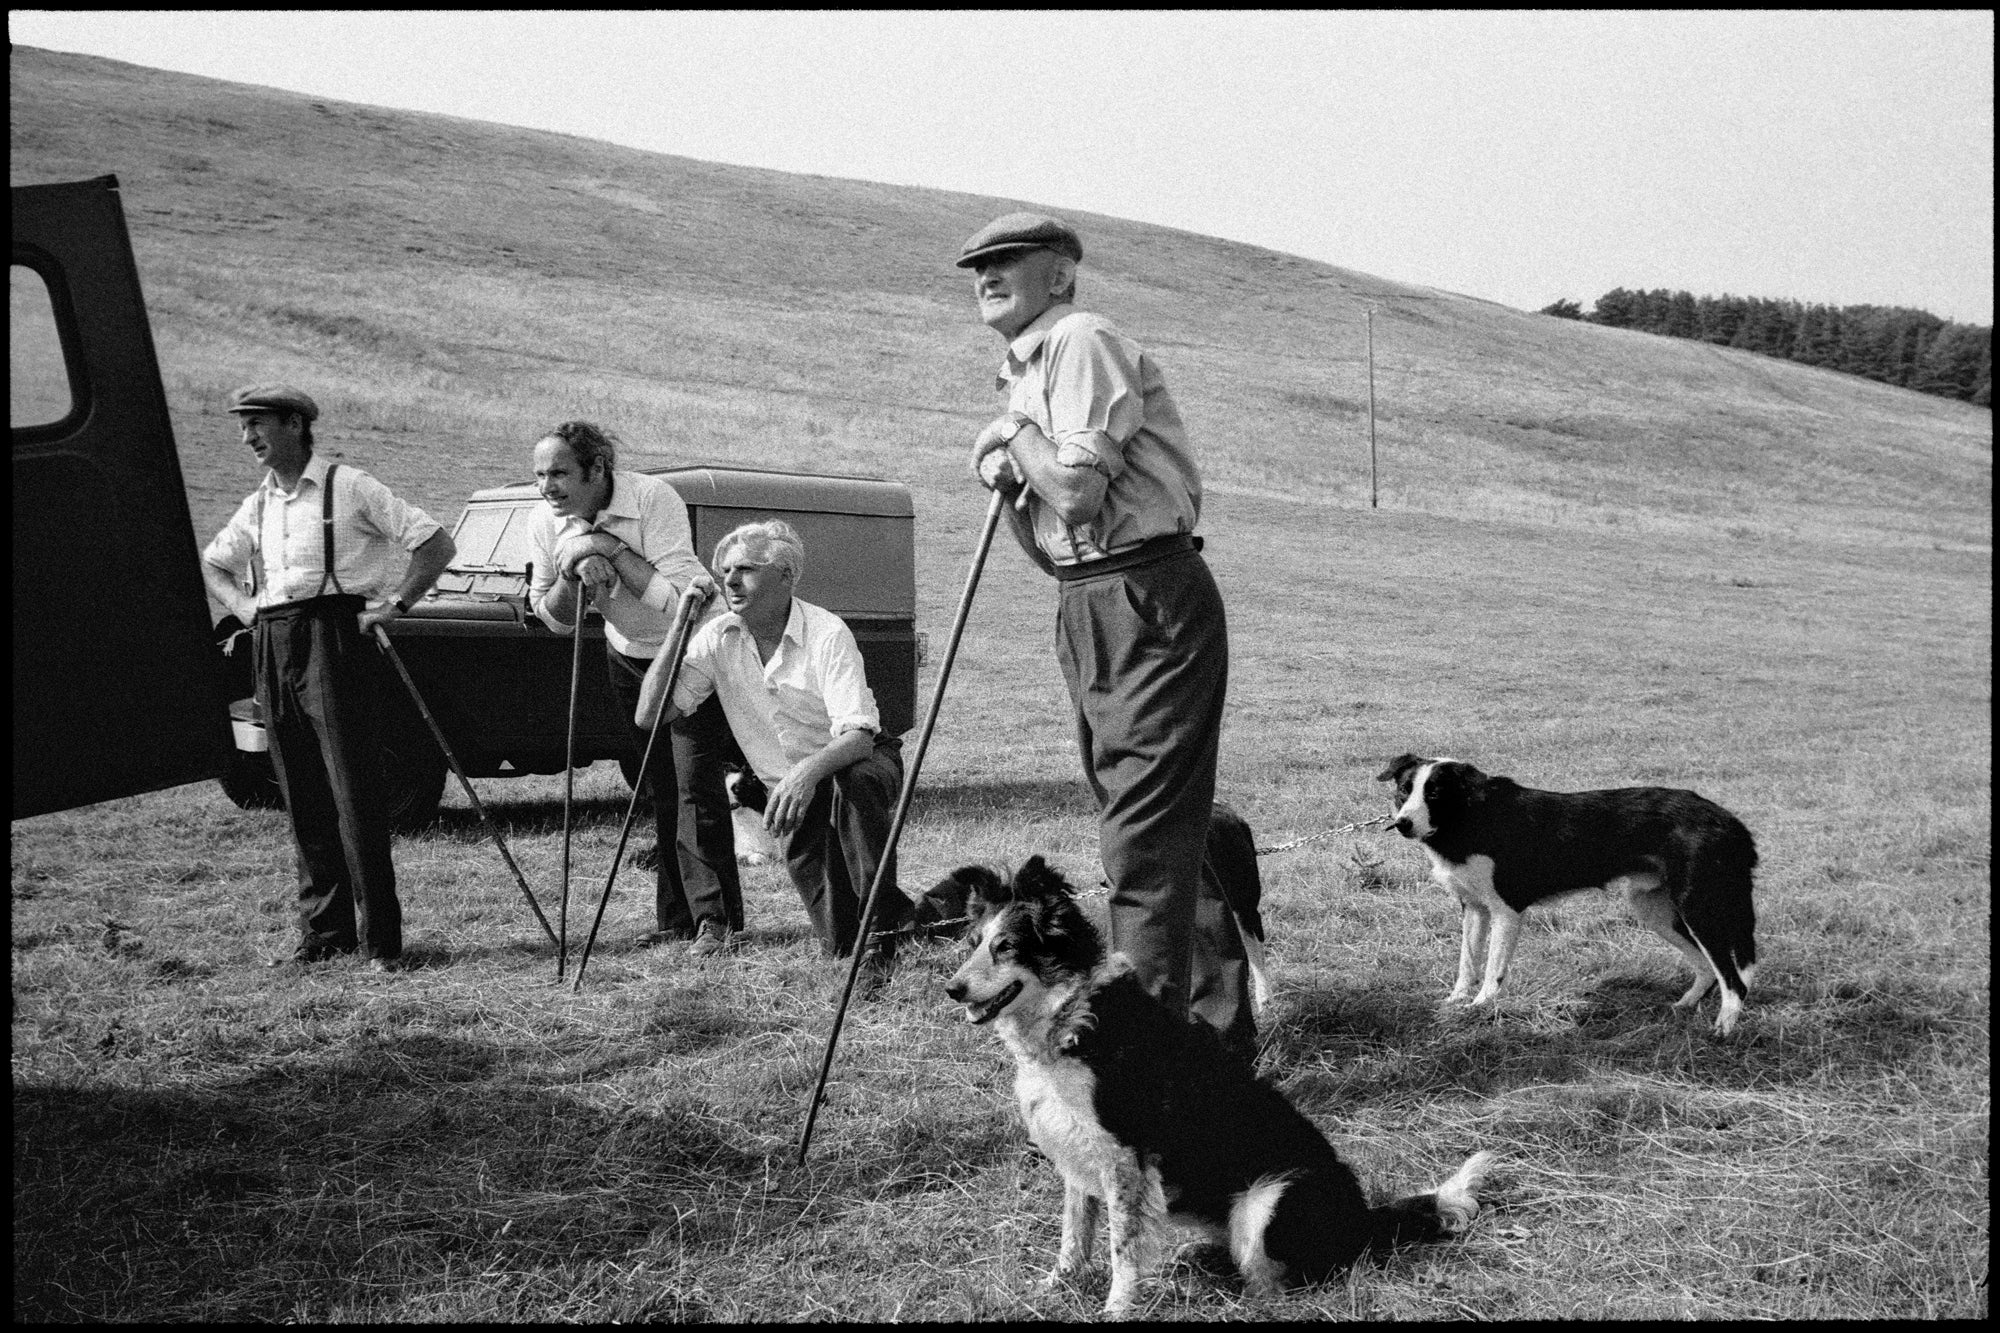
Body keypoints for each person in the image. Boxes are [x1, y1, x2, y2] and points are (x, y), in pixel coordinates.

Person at [957, 211, 1256, 1057]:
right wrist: (1014, 487)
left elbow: (1081, 497)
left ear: (1060, 275)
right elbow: (1055, 540)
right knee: (1150, 826)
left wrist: (1015, 438)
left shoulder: (1080, 341)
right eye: (977, 265)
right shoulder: (1024, 369)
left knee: (1142, 836)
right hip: (1089, 596)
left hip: (1145, 591)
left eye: (1008, 261)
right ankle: (1211, 1036)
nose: (986, 274)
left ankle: (1156, 1058)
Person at [201, 383, 455, 972]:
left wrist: (397, 603)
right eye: (243, 427)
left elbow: (434, 541)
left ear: (294, 424)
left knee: (353, 791)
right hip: (272, 639)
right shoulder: (259, 503)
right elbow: (215, 562)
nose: (248, 438)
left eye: (257, 424)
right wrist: (245, 610)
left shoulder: (350, 486)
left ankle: (381, 944)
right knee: (301, 791)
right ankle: (324, 937)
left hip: (335, 640)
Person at [635, 520, 953, 979]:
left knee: (855, 782)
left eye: (745, 568)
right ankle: (922, 915)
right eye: (725, 570)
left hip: (853, 761)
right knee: (838, 940)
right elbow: (650, 715)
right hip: (790, 791)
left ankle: (881, 936)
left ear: (785, 576)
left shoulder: (826, 632)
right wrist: (681, 625)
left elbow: (859, 737)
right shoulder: (717, 636)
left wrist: (804, 775)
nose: (729, 580)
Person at [526, 421, 745, 957]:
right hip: (627, 655)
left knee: (696, 783)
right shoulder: (542, 520)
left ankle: (716, 922)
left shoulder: (652, 498)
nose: (546, 487)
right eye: (539, 475)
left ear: (597, 469)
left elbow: (681, 601)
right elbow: (553, 619)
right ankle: (676, 920)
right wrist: (574, 569)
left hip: (693, 647)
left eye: (559, 473)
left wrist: (608, 548)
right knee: (659, 787)